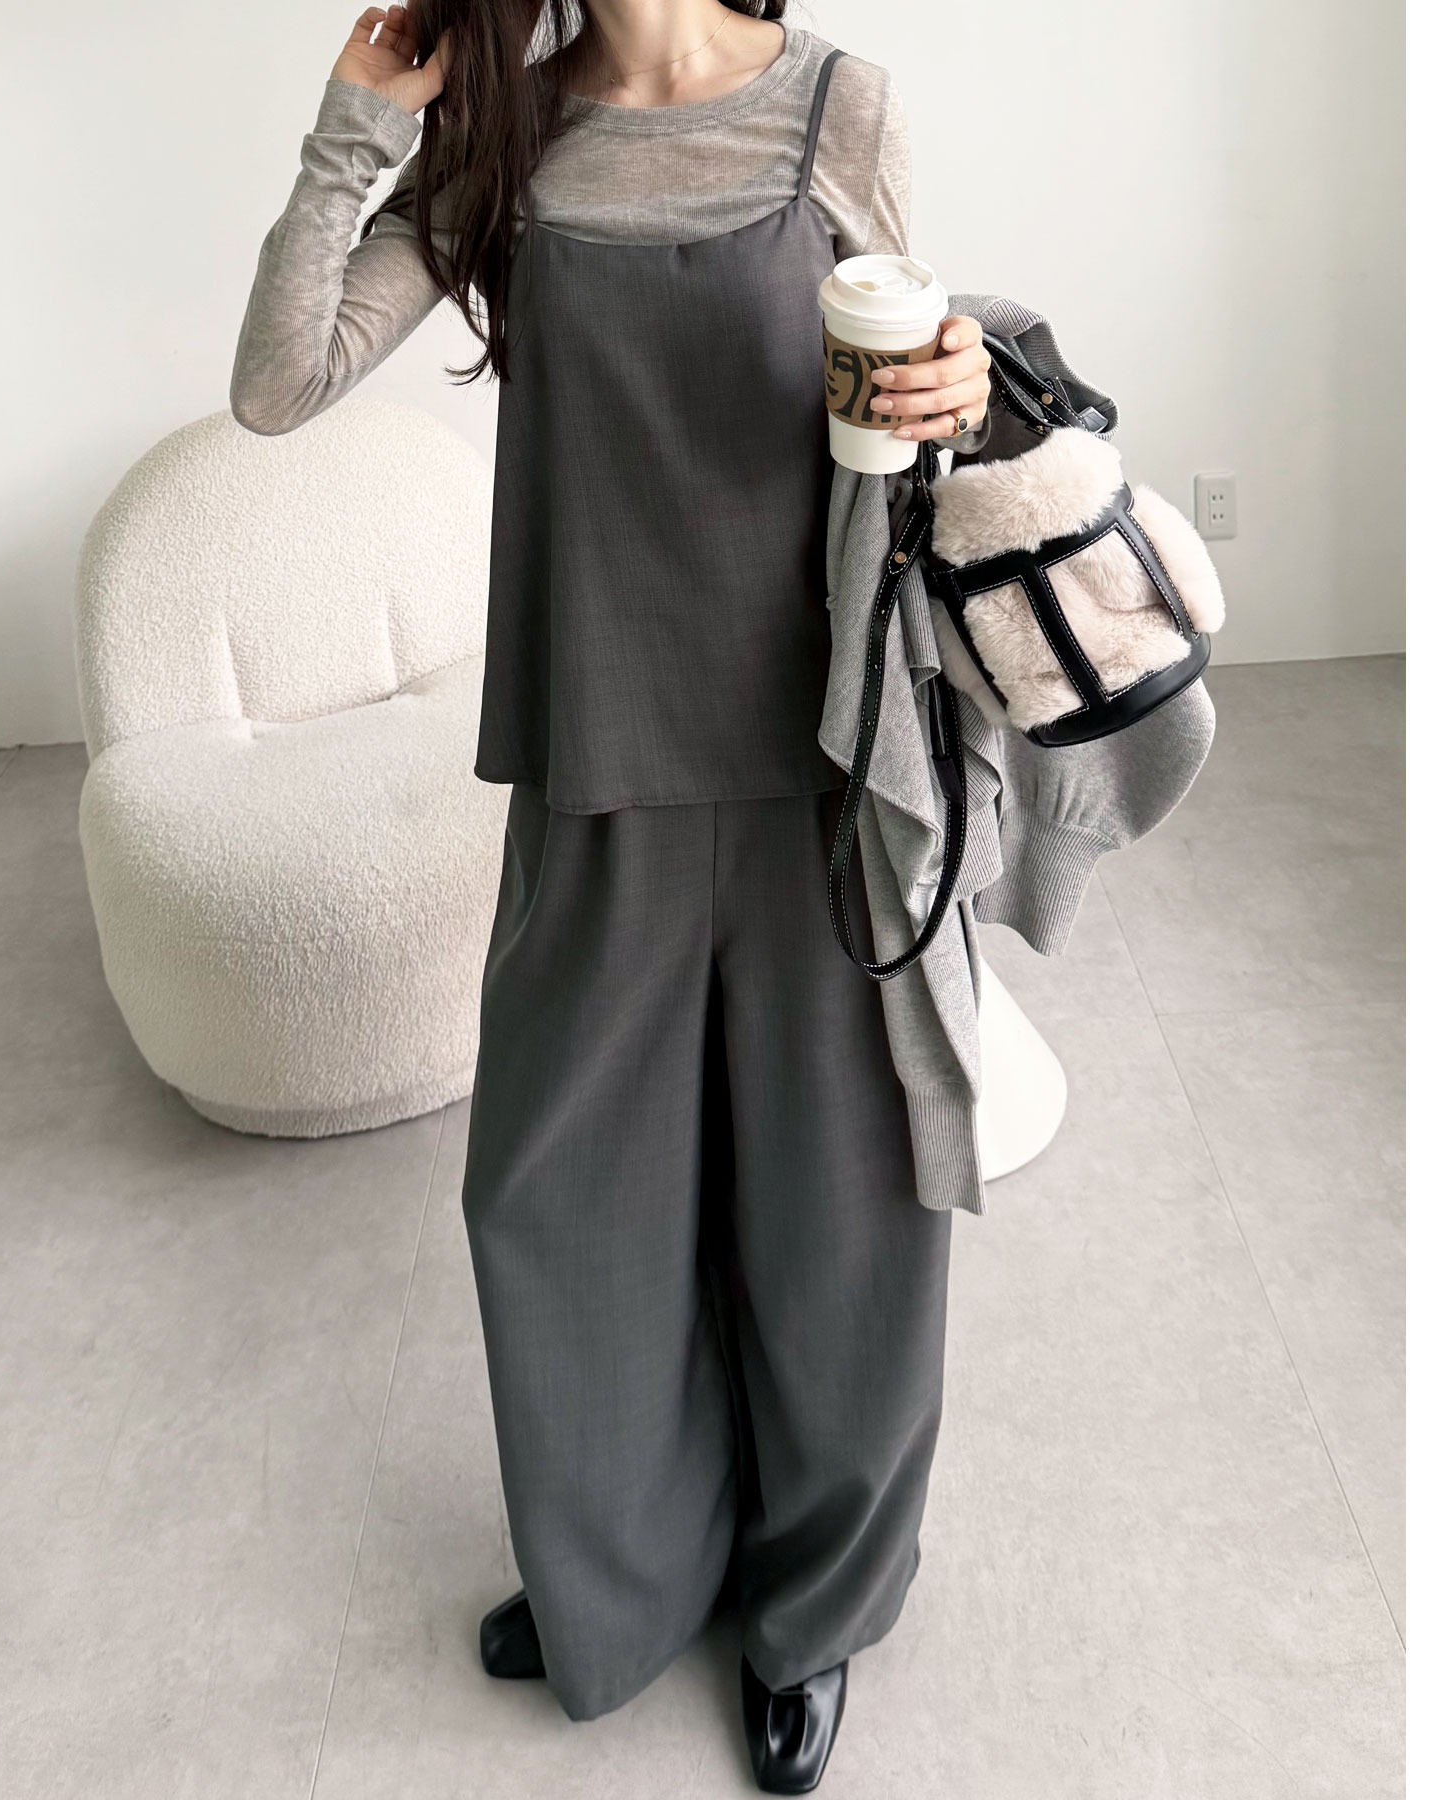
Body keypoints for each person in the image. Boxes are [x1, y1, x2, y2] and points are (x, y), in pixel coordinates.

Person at [230, 3, 993, 1789]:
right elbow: (278, 383)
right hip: (597, 751)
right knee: (562, 1206)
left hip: (822, 753)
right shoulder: (508, 136)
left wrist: (954, 384)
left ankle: (814, 1607)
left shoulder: (838, 106)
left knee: (841, 1217)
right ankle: (621, 1564)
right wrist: (354, 124)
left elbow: (917, 408)